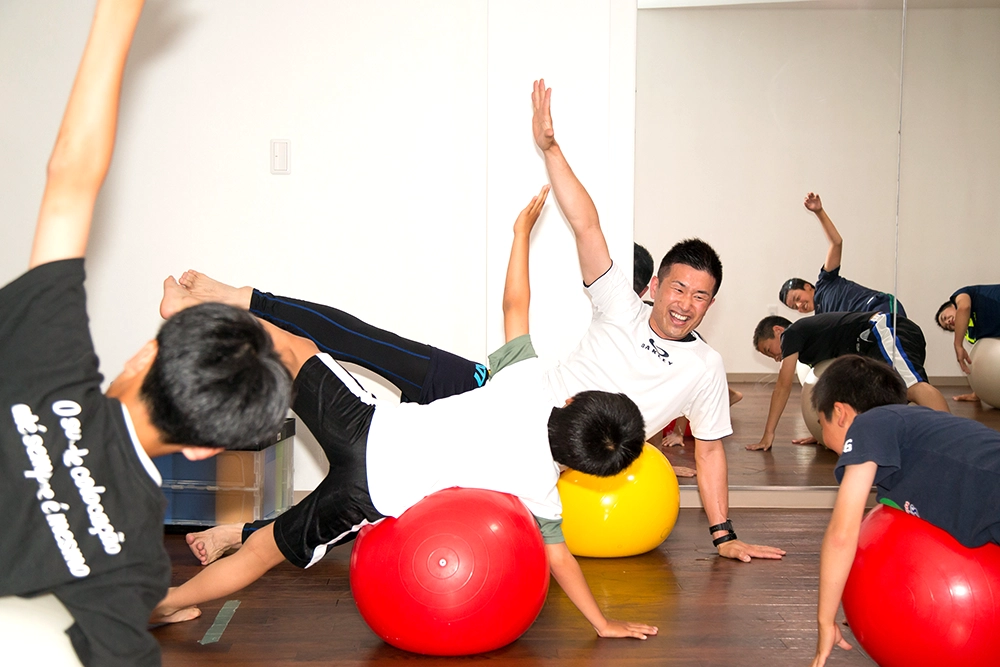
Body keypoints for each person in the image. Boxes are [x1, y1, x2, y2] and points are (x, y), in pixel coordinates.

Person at [183, 79, 784, 564]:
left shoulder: (704, 368)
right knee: (366, 341)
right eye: (678, 287)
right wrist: (550, 149)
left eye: (700, 297)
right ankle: (241, 298)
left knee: (378, 487)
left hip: (523, 449)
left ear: (710, 305)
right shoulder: (620, 305)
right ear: (654, 286)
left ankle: (243, 534)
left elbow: (710, 452)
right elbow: (587, 225)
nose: (685, 303)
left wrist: (724, 536)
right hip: (494, 388)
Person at [151, 187, 660, 641]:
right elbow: (559, 560)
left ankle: (190, 309)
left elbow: (514, 305)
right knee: (263, 552)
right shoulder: (542, 490)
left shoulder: (527, 382)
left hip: (364, 427)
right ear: (584, 469)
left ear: (572, 401)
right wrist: (602, 624)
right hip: (364, 495)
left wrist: (521, 233)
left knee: (293, 348)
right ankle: (165, 603)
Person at [0, 2, 293, 666]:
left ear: (143, 355)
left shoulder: (48, 357)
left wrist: (117, 14)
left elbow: (70, 180)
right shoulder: (135, 553)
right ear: (204, 448)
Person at [806, 355, 1000, 667]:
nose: (824, 439)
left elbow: (842, 535)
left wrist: (824, 621)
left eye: (820, 423)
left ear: (840, 413)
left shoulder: (868, 425)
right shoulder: (917, 432)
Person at [749, 312, 949, 451]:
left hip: (883, 328)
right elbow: (835, 387)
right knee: (892, 396)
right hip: (873, 345)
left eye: (769, 350)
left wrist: (768, 434)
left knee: (911, 387)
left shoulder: (791, 334)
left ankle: (953, 439)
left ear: (778, 331)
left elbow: (783, 387)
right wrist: (823, 430)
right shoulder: (811, 347)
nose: (775, 358)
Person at [779, 193, 905, 317]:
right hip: (866, 326)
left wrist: (819, 212)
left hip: (876, 307)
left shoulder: (826, 281)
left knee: (887, 329)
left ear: (807, 287)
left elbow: (836, 243)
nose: (799, 305)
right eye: (795, 307)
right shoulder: (822, 321)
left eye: (797, 298)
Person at [935, 283, 1000, 402]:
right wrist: (979, 393)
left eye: (945, 317)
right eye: (948, 327)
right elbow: (989, 361)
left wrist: (958, 344)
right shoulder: (977, 332)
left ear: (951, 305)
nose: (948, 322)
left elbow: (964, 308)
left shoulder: (960, 295)